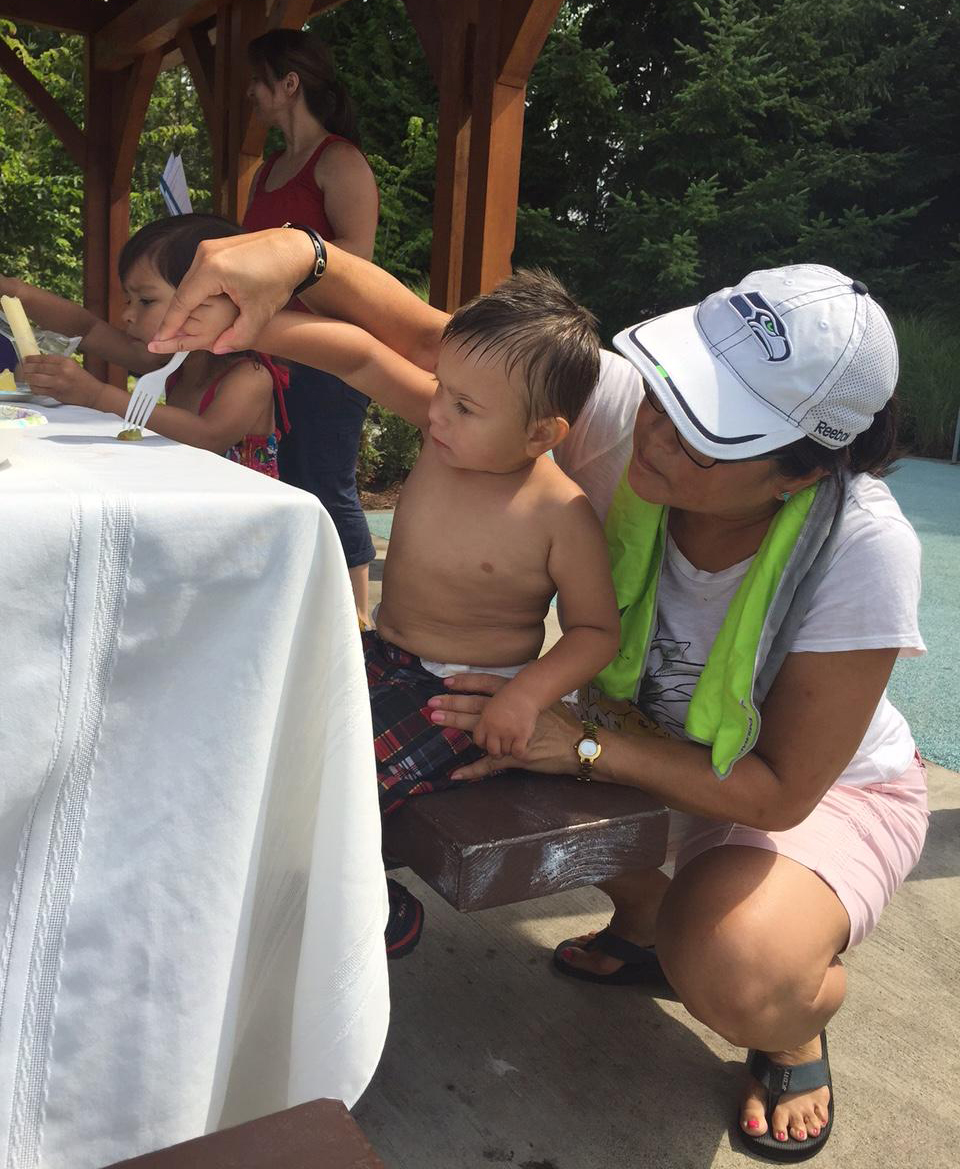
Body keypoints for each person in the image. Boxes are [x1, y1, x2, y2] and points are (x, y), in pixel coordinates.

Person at [149, 233, 928, 1162]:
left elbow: (782, 790)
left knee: (736, 965)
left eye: (708, 438)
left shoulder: (861, 547)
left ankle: (792, 1021)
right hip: (629, 726)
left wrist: (580, 745)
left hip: (802, 787)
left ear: (803, 470)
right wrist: (296, 256)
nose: (657, 435)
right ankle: (647, 921)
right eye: (669, 398)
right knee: (425, 743)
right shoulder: (616, 411)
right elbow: (433, 343)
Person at [250, 268, 621, 954]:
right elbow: (360, 358)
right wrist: (254, 325)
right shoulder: (445, 435)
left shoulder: (559, 513)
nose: (437, 412)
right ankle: (303, 886)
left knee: (341, 777)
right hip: (382, 654)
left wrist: (526, 696)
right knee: (259, 720)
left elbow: (597, 630)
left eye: (465, 405)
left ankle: (371, 910)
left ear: (541, 433)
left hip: (460, 695)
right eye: (440, 388)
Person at [243, 28, 379, 619]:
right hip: (272, 356)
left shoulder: (341, 161)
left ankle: (358, 630)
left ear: (289, 83)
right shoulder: (268, 169)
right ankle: (306, 619)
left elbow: (358, 262)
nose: (250, 92)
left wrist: (279, 270)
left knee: (326, 486)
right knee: (284, 485)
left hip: (329, 356)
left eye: (258, 80)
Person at [10, 215, 287, 477]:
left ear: (214, 298)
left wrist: (96, 396)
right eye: (128, 300)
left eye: (146, 301)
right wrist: (15, 292)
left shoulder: (250, 376)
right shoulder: (169, 361)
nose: (127, 315)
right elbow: (88, 330)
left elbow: (208, 437)